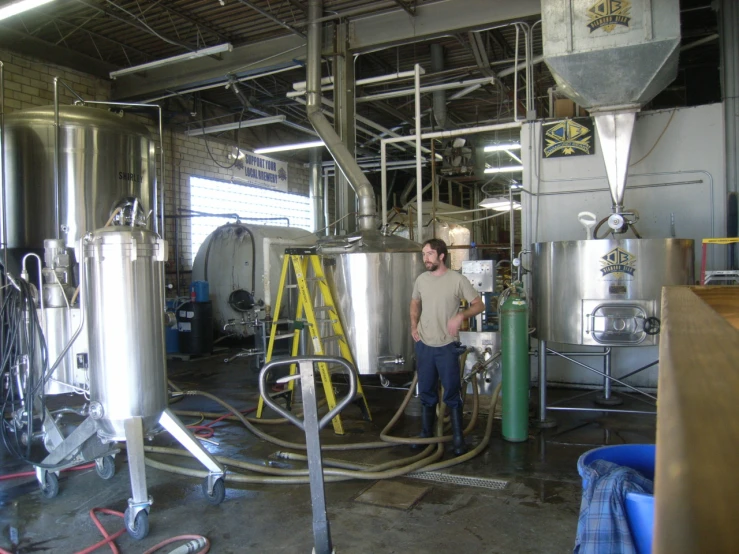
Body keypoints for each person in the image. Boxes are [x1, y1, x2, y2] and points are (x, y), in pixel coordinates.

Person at [410, 238, 484, 456]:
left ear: (441, 256)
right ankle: (426, 434)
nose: (426, 259)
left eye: (430, 254)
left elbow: (479, 304)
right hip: (424, 344)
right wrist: (414, 326)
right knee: (426, 391)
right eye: (424, 254)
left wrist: (461, 315)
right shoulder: (421, 279)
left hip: (446, 346)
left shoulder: (457, 280)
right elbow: (415, 302)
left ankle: (458, 438)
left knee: (451, 392)